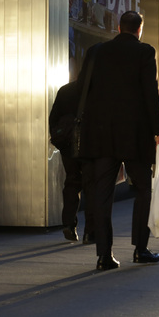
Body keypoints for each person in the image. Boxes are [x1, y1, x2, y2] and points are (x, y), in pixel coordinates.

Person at [77, 11, 159, 271]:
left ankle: (104, 255)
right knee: (143, 190)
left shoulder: (97, 52)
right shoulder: (145, 52)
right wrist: (158, 131)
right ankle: (140, 249)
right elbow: (151, 92)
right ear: (139, 29)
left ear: (118, 27)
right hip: (135, 135)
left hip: (102, 135)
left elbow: (84, 88)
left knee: (102, 194)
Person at [48, 81, 95, 244]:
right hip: (90, 145)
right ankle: (90, 231)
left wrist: (61, 141)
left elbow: (53, 118)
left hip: (68, 145)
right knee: (91, 187)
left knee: (72, 181)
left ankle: (69, 223)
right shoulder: (96, 91)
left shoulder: (65, 90)